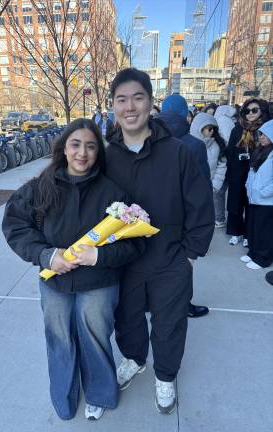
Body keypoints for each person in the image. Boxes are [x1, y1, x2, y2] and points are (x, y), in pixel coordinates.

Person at [2, 119, 145, 421]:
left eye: (91, 146)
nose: (83, 153)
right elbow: (15, 226)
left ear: (98, 153)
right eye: (76, 144)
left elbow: (136, 244)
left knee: (94, 337)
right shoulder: (40, 187)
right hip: (55, 282)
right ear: (64, 148)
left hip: (99, 281)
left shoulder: (113, 193)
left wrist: (99, 256)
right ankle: (64, 396)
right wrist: (45, 254)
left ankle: (99, 393)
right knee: (59, 339)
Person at [105, 68, 214, 414]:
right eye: (122, 99)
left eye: (138, 97)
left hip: (170, 259)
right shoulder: (106, 156)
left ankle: (165, 375)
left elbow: (200, 204)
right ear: (113, 106)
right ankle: (135, 359)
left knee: (169, 323)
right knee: (128, 319)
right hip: (124, 261)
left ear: (151, 103)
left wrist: (191, 254)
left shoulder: (177, 152)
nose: (130, 106)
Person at [157, 94, 211, 318]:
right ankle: (182, 304)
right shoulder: (195, 145)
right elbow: (202, 191)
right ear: (184, 114)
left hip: (150, 215)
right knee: (182, 266)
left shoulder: (149, 140)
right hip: (182, 219)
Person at [226, 98, 271, 246]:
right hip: (237, 172)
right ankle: (235, 231)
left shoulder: (266, 129)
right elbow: (230, 151)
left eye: (254, 110)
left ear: (262, 111)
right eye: (247, 111)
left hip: (257, 173)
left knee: (252, 205)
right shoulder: (237, 128)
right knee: (235, 203)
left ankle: (248, 234)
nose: (250, 114)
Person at [240, 119, 273, 269]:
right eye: (260, 134)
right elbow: (252, 172)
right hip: (254, 198)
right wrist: (249, 186)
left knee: (264, 230)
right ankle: (253, 252)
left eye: (264, 135)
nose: (260, 137)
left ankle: (263, 258)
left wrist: (265, 192)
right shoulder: (259, 151)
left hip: (267, 201)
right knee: (253, 227)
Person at [191, 113, 227, 228]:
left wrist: (216, 184)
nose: (212, 132)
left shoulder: (218, 144)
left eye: (214, 129)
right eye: (209, 128)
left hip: (210, 185)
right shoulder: (189, 145)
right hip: (193, 186)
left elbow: (222, 165)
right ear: (199, 127)